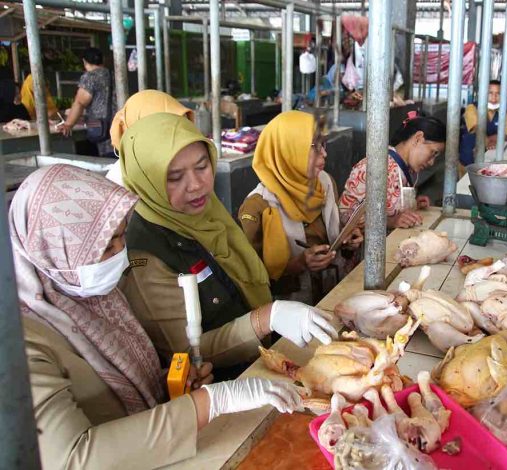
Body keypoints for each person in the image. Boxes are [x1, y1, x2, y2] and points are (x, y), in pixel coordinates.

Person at [10, 164, 304, 469]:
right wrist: (209, 403)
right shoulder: (22, 344)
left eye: (121, 237)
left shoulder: (98, 298)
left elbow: (122, 392)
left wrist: (168, 387)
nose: (120, 253)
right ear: (51, 251)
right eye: (104, 247)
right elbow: (72, 458)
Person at [117, 113, 337, 377]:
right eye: (174, 177)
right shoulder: (149, 254)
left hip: (258, 361)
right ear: (146, 180)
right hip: (225, 387)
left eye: (202, 166)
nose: (197, 185)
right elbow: (187, 352)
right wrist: (266, 319)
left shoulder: (206, 213)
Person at [238, 111, 363, 305]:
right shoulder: (258, 206)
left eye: (324, 144)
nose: (324, 153)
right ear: (288, 150)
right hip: (289, 311)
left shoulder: (324, 182)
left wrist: (346, 240)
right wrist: (298, 264)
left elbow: (330, 233)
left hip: (331, 293)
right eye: (314, 146)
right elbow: (251, 279)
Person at [339, 112, 446, 229]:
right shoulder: (377, 167)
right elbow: (346, 215)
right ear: (418, 139)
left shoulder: (402, 169)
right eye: (433, 153)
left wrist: (412, 204)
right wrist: (391, 222)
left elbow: (386, 207)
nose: (432, 162)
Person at [105, 89, 195, 186]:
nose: (185, 138)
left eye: (185, 127)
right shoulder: (120, 181)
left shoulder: (193, 159)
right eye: (170, 132)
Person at [60, 48, 116, 157]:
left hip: (102, 128)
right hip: (119, 126)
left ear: (84, 61)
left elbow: (80, 103)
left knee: (106, 162)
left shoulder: (90, 77)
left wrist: (68, 124)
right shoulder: (113, 74)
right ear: (102, 60)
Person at [460, 79, 507, 166]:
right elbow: (477, 129)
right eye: (490, 93)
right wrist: (489, 141)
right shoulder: (472, 108)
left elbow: (505, 133)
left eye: (498, 93)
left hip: (491, 157)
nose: (494, 97)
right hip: (469, 155)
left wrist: (492, 140)